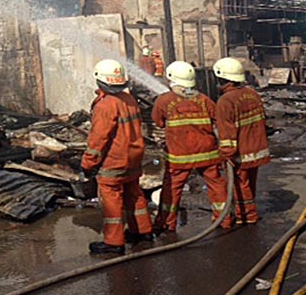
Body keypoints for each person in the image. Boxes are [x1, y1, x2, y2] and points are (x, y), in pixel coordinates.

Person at [82, 59, 153, 254]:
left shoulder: (105, 106)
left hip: (115, 160)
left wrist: (88, 164)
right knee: (134, 193)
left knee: (111, 199)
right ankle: (143, 230)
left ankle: (114, 242)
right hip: (134, 156)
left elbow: (98, 141)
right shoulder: (128, 100)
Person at [151, 61, 230, 233]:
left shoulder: (164, 100)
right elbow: (219, 121)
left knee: (171, 190)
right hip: (208, 154)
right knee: (217, 186)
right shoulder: (204, 100)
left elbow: (158, 122)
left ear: (171, 78)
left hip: (179, 157)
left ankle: (166, 223)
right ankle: (224, 219)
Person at [213, 57, 271, 224]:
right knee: (249, 182)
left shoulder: (225, 101)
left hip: (241, 151)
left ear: (222, 78)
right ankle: (247, 210)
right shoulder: (252, 94)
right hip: (258, 148)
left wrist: (226, 156)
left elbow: (227, 134)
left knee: (241, 185)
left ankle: (247, 215)